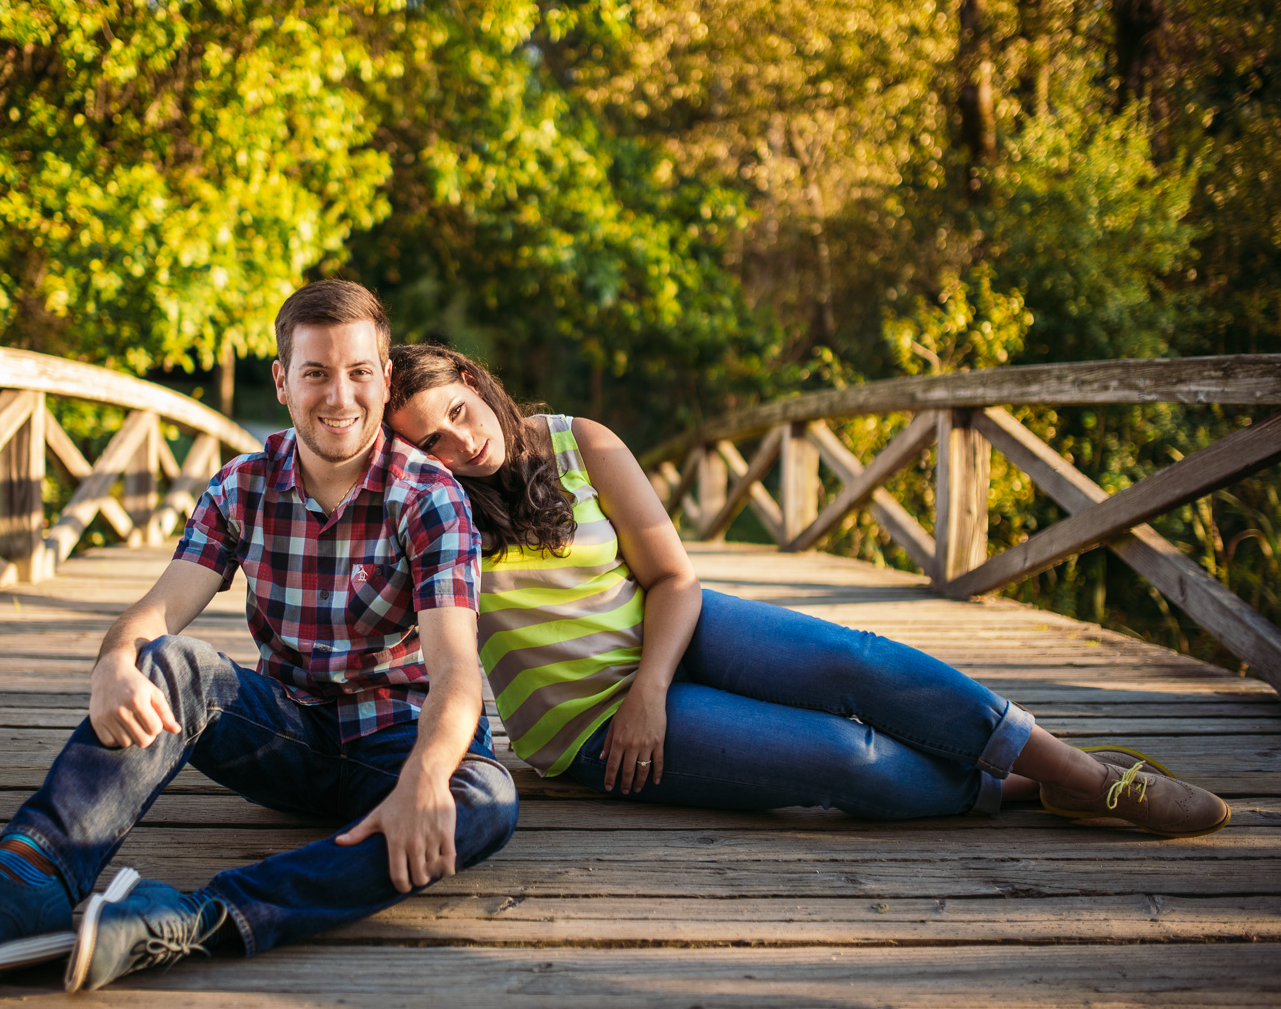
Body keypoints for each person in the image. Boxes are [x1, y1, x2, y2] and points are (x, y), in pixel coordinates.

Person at [0, 284, 518, 992]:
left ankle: (196, 918)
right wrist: (114, 660)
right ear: (283, 382)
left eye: (358, 372)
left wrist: (425, 777)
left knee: (485, 801)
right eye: (315, 372)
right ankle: (26, 878)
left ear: (384, 377)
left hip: (396, 745)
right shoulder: (241, 486)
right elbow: (158, 612)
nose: (339, 395)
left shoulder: (430, 497)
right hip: (290, 738)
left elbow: (456, 669)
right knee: (169, 664)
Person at [384, 342, 1230, 837]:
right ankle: (1011, 786)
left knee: (849, 658)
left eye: (459, 410)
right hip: (591, 728)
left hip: (673, 635)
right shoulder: (431, 510)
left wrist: (653, 683)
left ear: (473, 379)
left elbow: (675, 577)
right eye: (432, 444)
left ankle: (1083, 773)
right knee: (838, 755)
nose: (461, 443)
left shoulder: (579, 442)